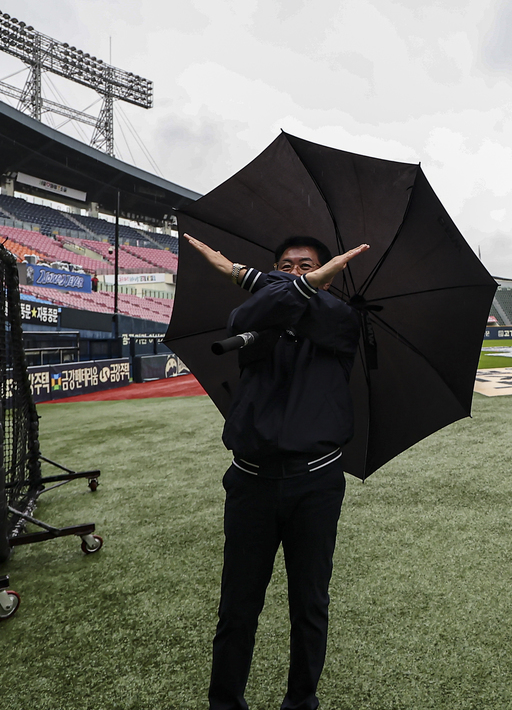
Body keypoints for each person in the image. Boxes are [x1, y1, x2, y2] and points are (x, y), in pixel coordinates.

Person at [185, 233, 369, 710]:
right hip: (249, 482)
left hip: (317, 484)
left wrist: (242, 274)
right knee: (237, 608)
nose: (293, 272)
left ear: (328, 278)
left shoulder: (342, 319)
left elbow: (316, 311)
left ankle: (300, 702)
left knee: (308, 606)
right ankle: (225, 703)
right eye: (284, 265)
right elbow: (245, 317)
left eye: (306, 266)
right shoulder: (253, 319)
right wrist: (280, 286)